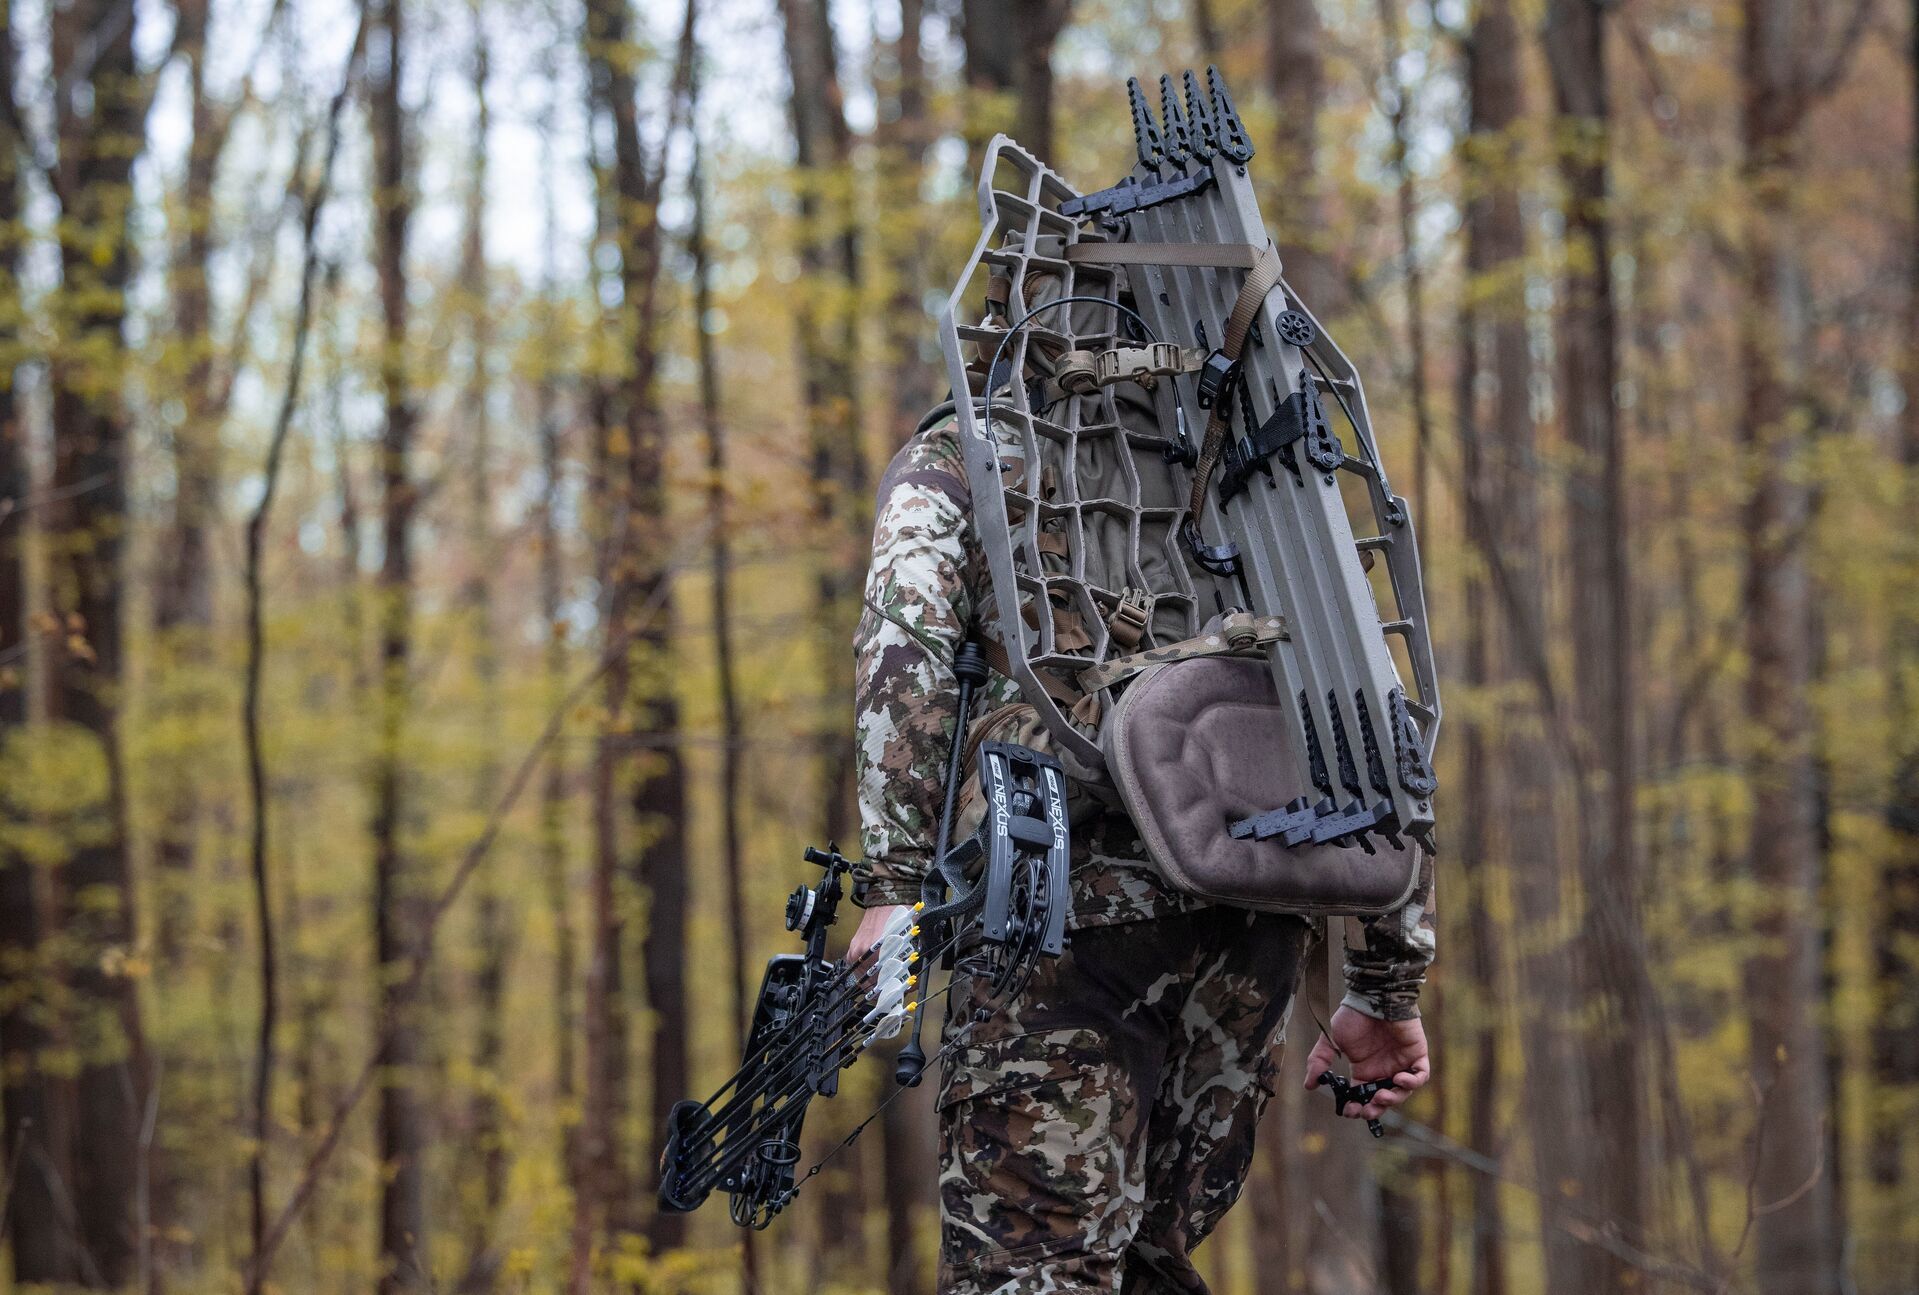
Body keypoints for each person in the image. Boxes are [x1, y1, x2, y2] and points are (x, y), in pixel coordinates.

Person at [843, 407, 1437, 1294]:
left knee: (1036, 1270)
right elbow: (1371, 704)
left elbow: (907, 644)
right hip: (1250, 903)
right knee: (1149, 1262)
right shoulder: (1255, 448)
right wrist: (1386, 976)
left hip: (1054, 914)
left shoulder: (968, 448)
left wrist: (892, 882)